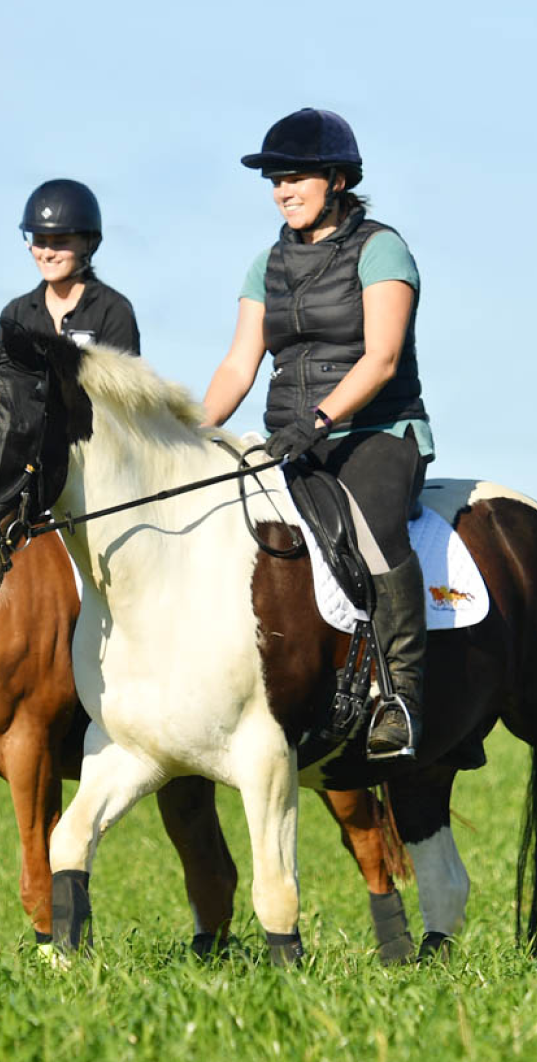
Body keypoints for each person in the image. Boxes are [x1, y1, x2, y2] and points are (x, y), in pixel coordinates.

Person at [201, 107, 433, 758]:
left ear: (335, 178)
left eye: (295, 177)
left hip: (377, 430)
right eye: (275, 180)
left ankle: (402, 699)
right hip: (288, 437)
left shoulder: (382, 248)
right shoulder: (265, 265)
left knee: (369, 529)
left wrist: (320, 420)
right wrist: (189, 434)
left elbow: (382, 357)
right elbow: (239, 363)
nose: (282, 191)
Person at [0, 178, 140, 356]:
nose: (47, 253)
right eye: (40, 241)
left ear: (89, 243)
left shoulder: (113, 311)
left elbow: (124, 383)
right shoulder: (15, 314)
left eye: (60, 242)